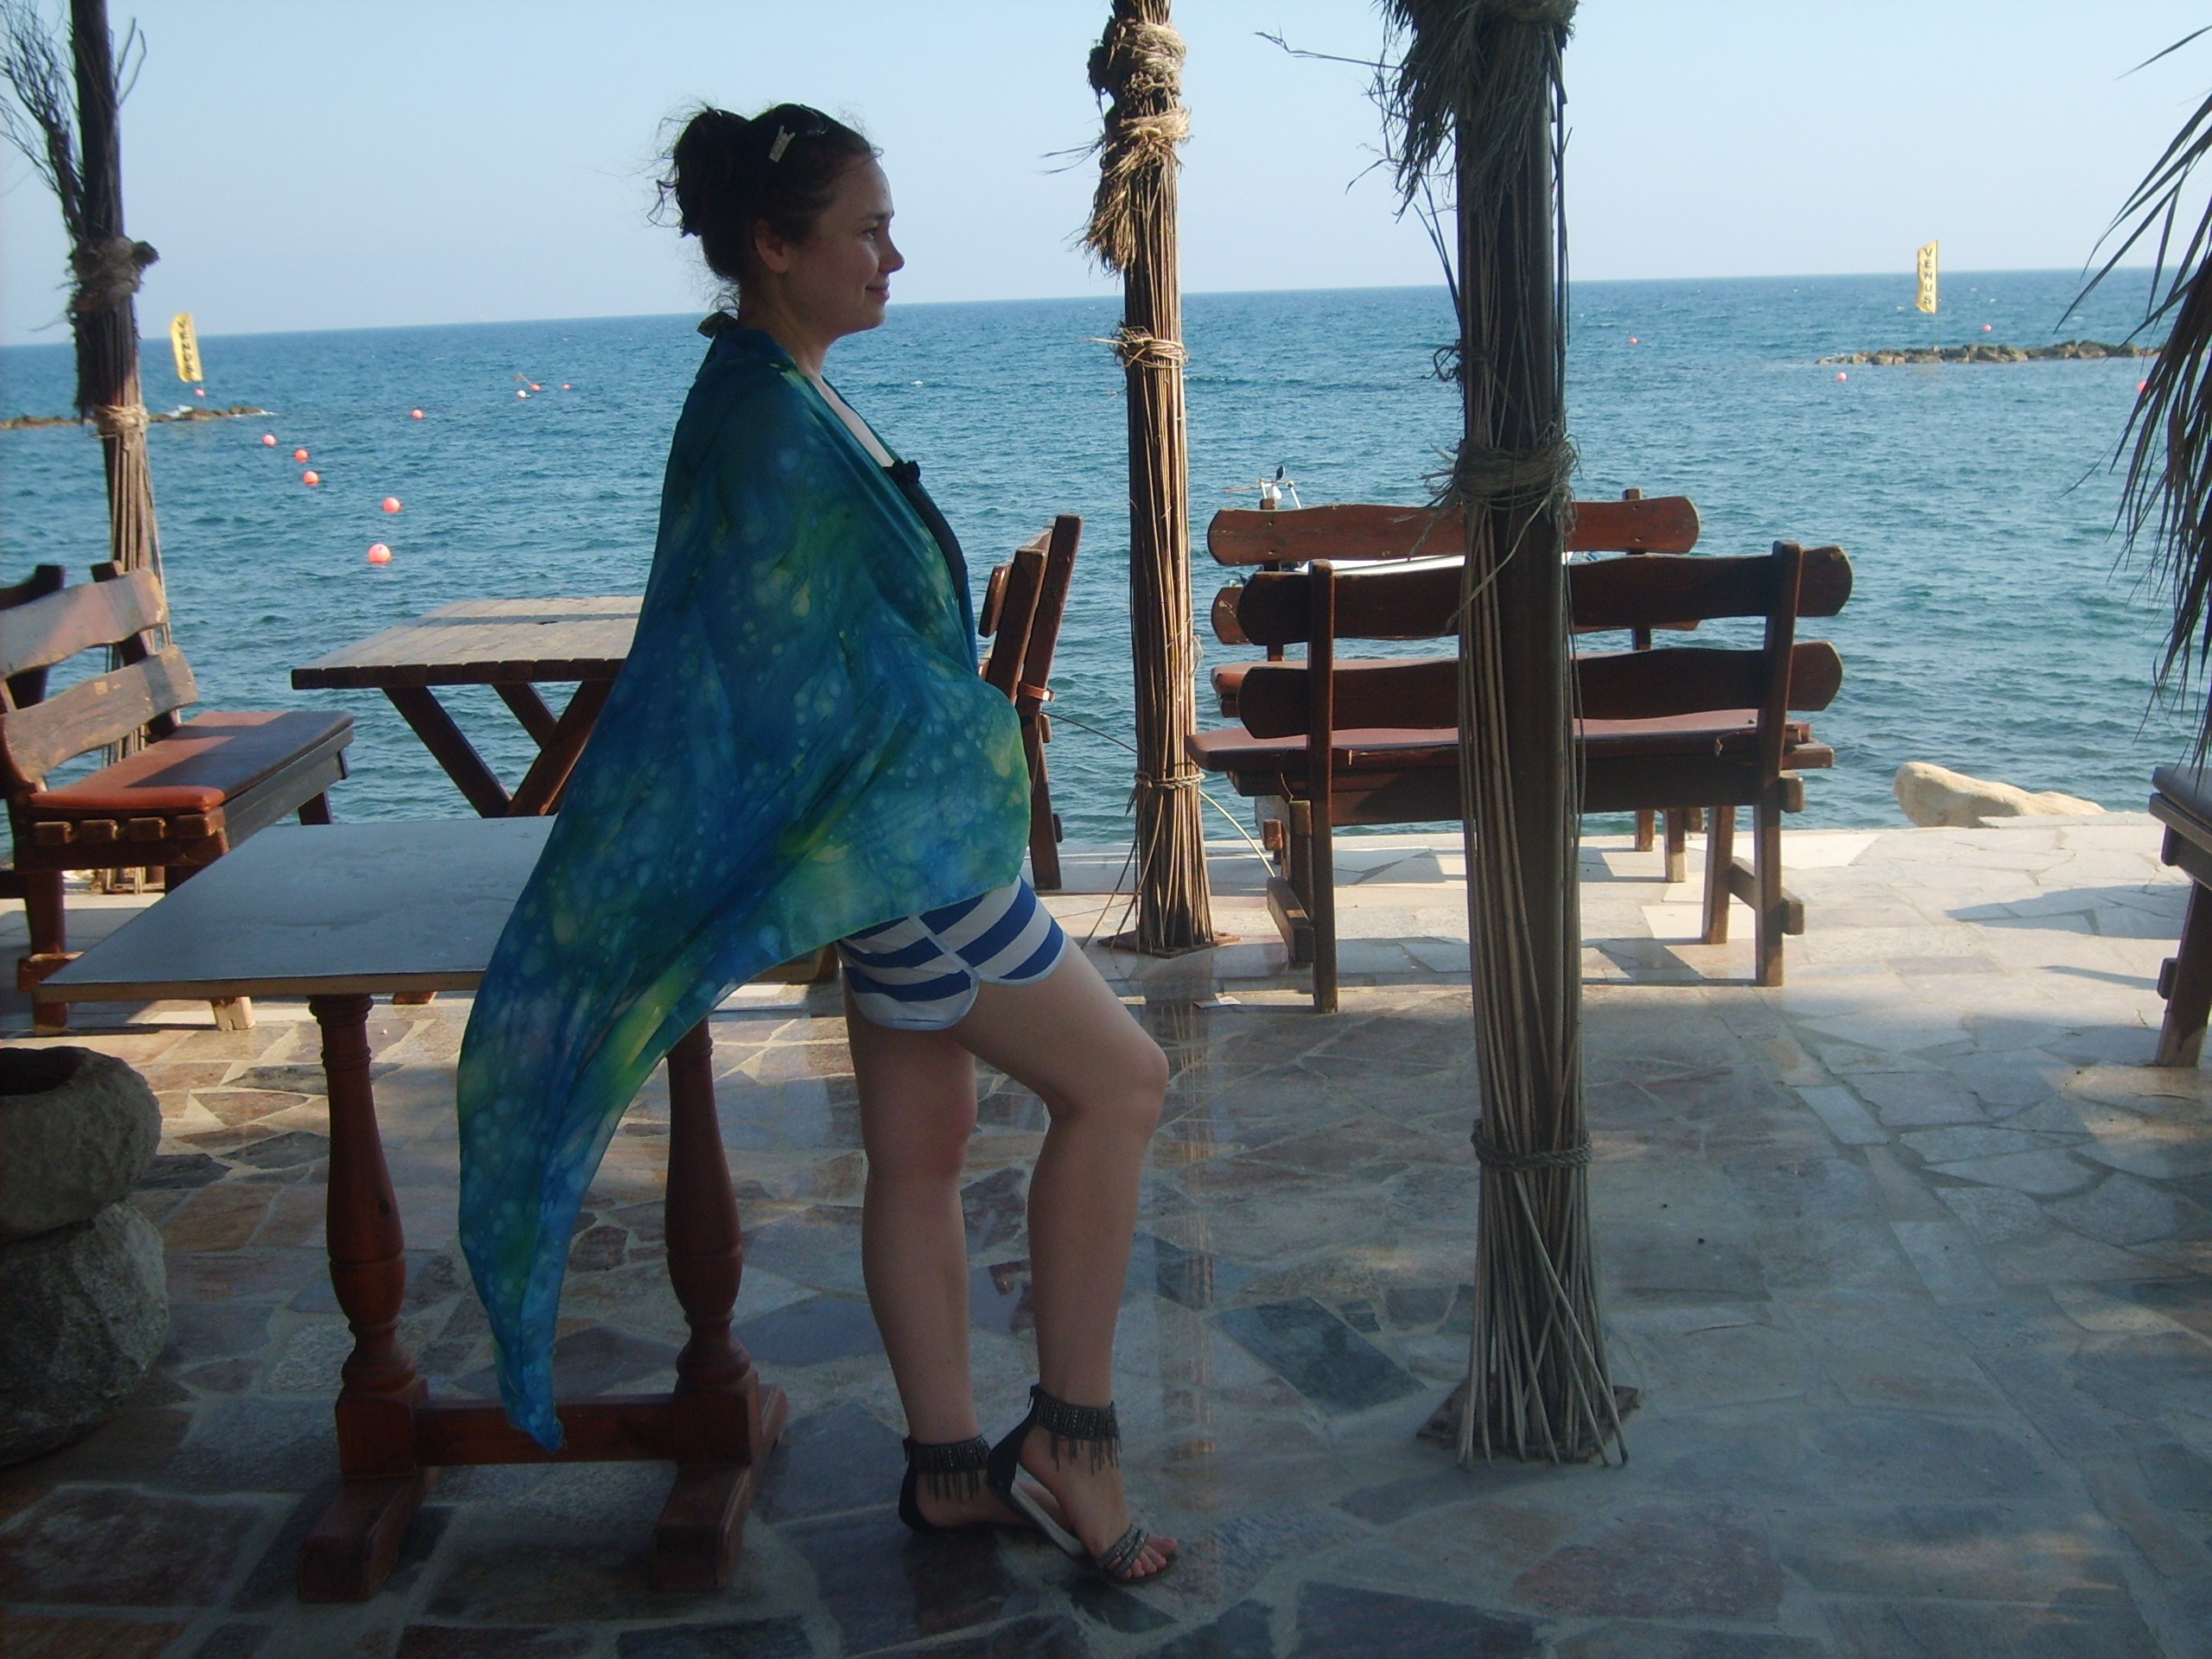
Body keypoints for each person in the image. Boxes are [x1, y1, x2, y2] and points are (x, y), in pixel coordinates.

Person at [452, 103, 1174, 1584]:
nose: (892, 258)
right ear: (776, 246)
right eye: (868, 231)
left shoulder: (780, 390)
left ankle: (950, 1472)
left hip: (887, 849)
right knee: (1122, 1086)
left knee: (919, 1153)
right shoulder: (768, 426)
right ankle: (1074, 1444)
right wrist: (949, 741)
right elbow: (774, 685)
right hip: (906, 861)